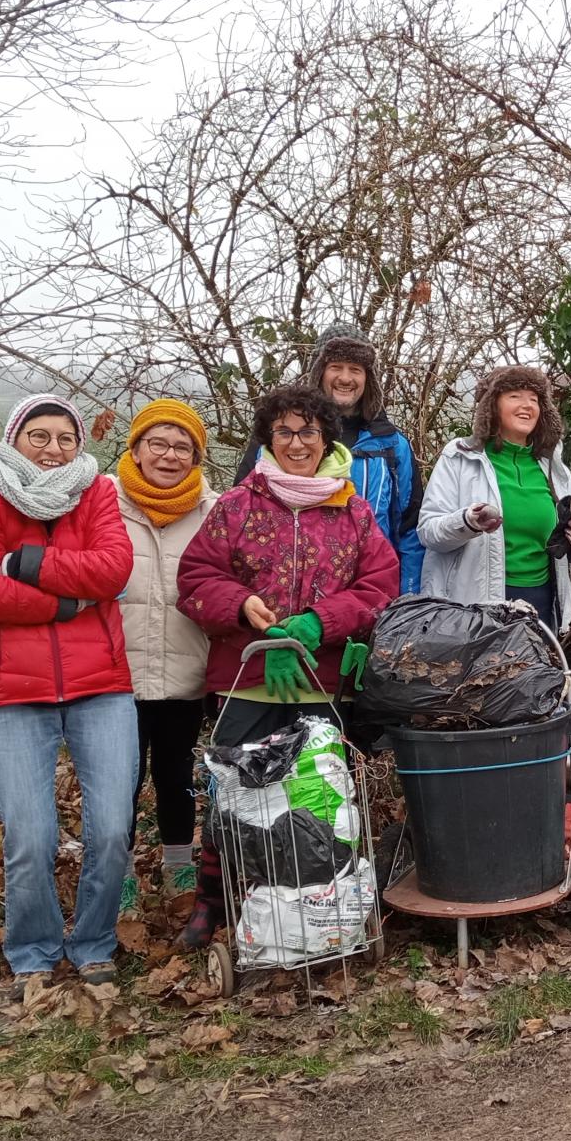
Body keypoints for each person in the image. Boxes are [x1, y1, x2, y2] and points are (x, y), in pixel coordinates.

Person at [176, 383, 401, 948]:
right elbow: (195, 580)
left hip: (323, 680)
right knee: (233, 796)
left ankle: (330, 907)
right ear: (267, 439)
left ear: (326, 438)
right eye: (285, 432)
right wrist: (244, 608)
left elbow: (380, 586)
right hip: (247, 677)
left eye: (309, 431)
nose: (297, 442)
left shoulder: (353, 511)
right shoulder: (235, 507)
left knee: (323, 796)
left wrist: (320, 622)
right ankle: (214, 902)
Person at [0, 394, 137, 999]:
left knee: (111, 829)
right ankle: (32, 948)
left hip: (102, 687)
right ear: (15, 437)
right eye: (40, 436)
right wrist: (65, 604)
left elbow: (113, 570)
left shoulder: (99, 493)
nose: (54, 448)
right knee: (30, 836)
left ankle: (93, 942)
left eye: (65, 437)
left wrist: (24, 562)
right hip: (13, 695)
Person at [110, 398, 218, 909]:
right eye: (158, 443)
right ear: (136, 447)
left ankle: (178, 864)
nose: (170, 456)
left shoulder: (213, 511)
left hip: (185, 669)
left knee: (176, 776)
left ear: (197, 458)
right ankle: (121, 870)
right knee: (120, 781)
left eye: (183, 447)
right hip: (116, 674)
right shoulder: (102, 504)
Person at [234, 321, 424, 594]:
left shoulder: (392, 444)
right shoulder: (282, 437)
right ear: (319, 373)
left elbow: (410, 528)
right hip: (284, 589)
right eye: (336, 367)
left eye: (355, 369)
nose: (345, 378)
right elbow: (241, 510)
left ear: (368, 379)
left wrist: (406, 596)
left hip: (370, 593)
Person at [417, 364, 571, 633]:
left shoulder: (552, 466)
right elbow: (428, 532)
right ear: (493, 405)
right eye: (514, 396)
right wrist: (467, 522)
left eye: (534, 399)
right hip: (474, 609)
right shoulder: (460, 457)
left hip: (542, 604)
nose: (527, 405)